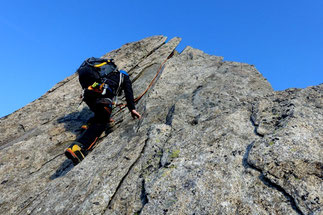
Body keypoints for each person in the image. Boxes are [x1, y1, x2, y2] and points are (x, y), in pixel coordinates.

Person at [65, 57, 141, 164]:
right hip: (103, 94)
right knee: (101, 122)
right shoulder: (123, 76)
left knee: (100, 115)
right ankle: (77, 148)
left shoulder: (104, 73)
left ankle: (88, 125)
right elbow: (129, 92)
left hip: (89, 95)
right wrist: (132, 109)